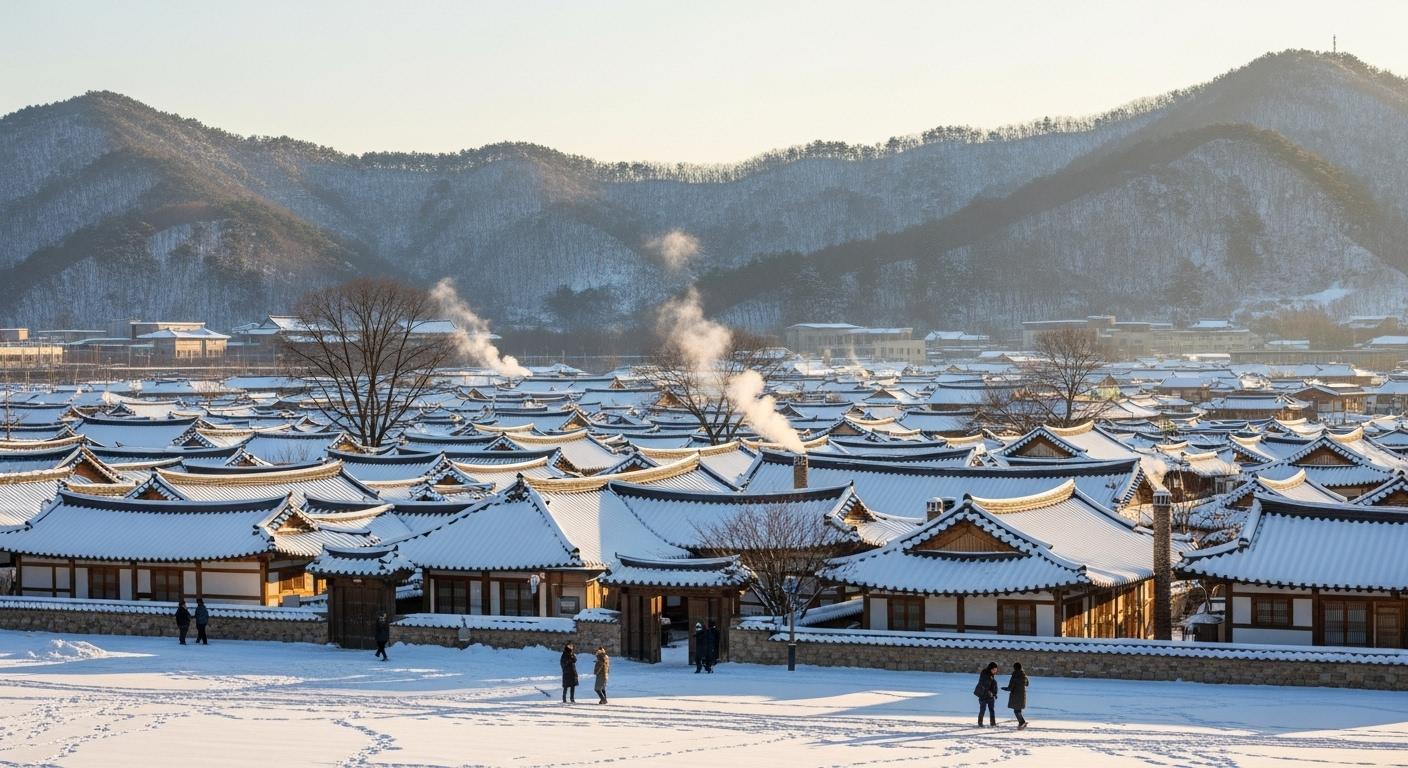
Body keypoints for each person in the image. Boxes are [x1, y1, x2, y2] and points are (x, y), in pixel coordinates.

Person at [1002, 662, 1029, 730]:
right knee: (1018, 710)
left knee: (1016, 711)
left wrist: (1005, 688)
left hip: (1016, 695)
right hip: (1022, 695)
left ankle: (1022, 722)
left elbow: (1010, 687)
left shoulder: (1015, 675)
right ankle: (1021, 722)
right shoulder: (1024, 674)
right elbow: (1027, 684)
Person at [973, 661, 999, 727]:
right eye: (994, 670)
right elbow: (985, 684)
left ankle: (993, 723)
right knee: (982, 710)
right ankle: (980, 723)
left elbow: (992, 685)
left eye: (996, 670)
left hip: (990, 696)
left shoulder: (991, 675)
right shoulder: (984, 673)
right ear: (991, 669)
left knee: (992, 710)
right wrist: (989, 691)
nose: (995, 671)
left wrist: (994, 693)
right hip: (983, 695)